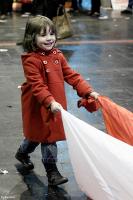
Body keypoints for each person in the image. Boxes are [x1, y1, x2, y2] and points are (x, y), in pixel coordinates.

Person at [15, 15, 99, 186]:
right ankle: (32, 159)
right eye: (43, 35)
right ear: (32, 37)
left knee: (48, 137)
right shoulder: (31, 60)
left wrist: (87, 91)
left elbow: (72, 76)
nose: (49, 38)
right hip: (39, 105)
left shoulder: (57, 56)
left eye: (52, 34)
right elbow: (37, 86)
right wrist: (50, 102)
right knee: (36, 137)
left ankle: (45, 168)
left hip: (55, 105)